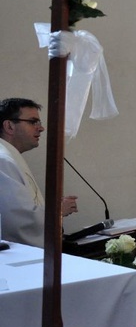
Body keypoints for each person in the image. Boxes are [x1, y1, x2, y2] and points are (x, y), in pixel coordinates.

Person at [0, 98, 78, 247]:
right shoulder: (3, 160)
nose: (41, 128)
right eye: (32, 122)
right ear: (9, 126)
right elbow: (18, 221)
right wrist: (58, 211)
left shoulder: (10, 156)